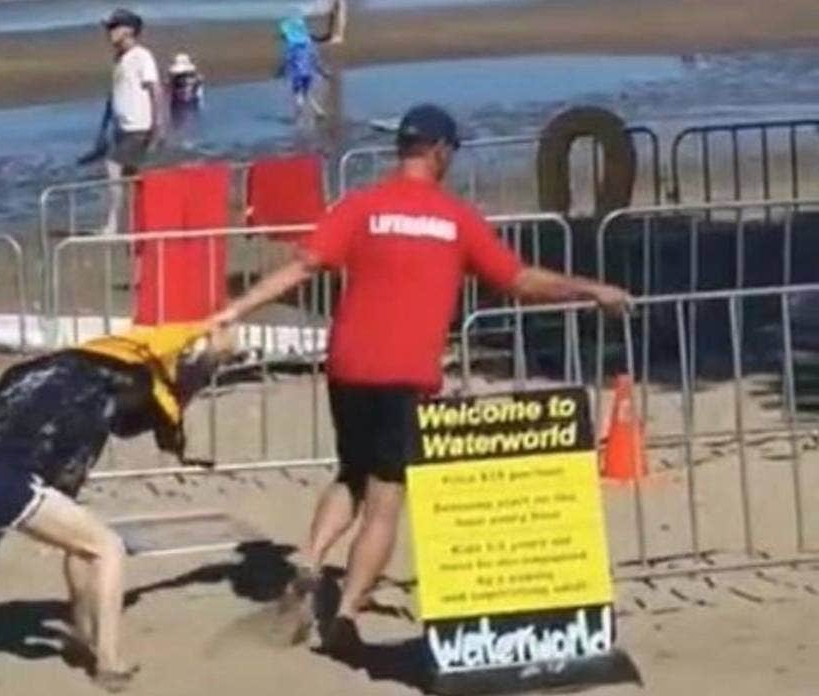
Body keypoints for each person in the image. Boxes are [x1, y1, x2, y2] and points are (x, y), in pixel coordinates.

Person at [210, 104, 631, 654]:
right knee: (386, 499)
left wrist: (234, 310)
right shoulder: (454, 218)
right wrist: (592, 289)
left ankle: (311, 559)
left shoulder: (361, 206)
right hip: (404, 371)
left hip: (348, 364)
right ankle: (346, 613)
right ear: (440, 152)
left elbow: (303, 266)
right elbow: (520, 280)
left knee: (350, 475)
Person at [0, 324, 234, 692]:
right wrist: (206, 363)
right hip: (0, 475)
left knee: (82, 540)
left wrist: (206, 358)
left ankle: (82, 634)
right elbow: (153, 410)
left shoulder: (69, 370)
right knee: (108, 547)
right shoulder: (92, 402)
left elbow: (137, 411)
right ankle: (109, 661)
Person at [98, 8, 162, 236]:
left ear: (129, 31)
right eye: (109, 28)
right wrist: (103, 129)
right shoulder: (120, 59)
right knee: (134, 177)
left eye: (114, 27)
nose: (109, 32)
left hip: (139, 127)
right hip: (122, 127)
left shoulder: (141, 56)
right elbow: (113, 95)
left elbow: (155, 90)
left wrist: (158, 125)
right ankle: (144, 220)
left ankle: (113, 224)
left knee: (113, 167)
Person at [277, 15, 328, 122]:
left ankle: (299, 112)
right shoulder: (308, 45)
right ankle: (319, 112)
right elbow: (315, 59)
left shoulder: (291, 47)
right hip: (308, 73)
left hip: (297, 74)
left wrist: (280, 71)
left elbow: (287, 60)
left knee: (298, 94)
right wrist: (322, 71)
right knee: (307, 92)